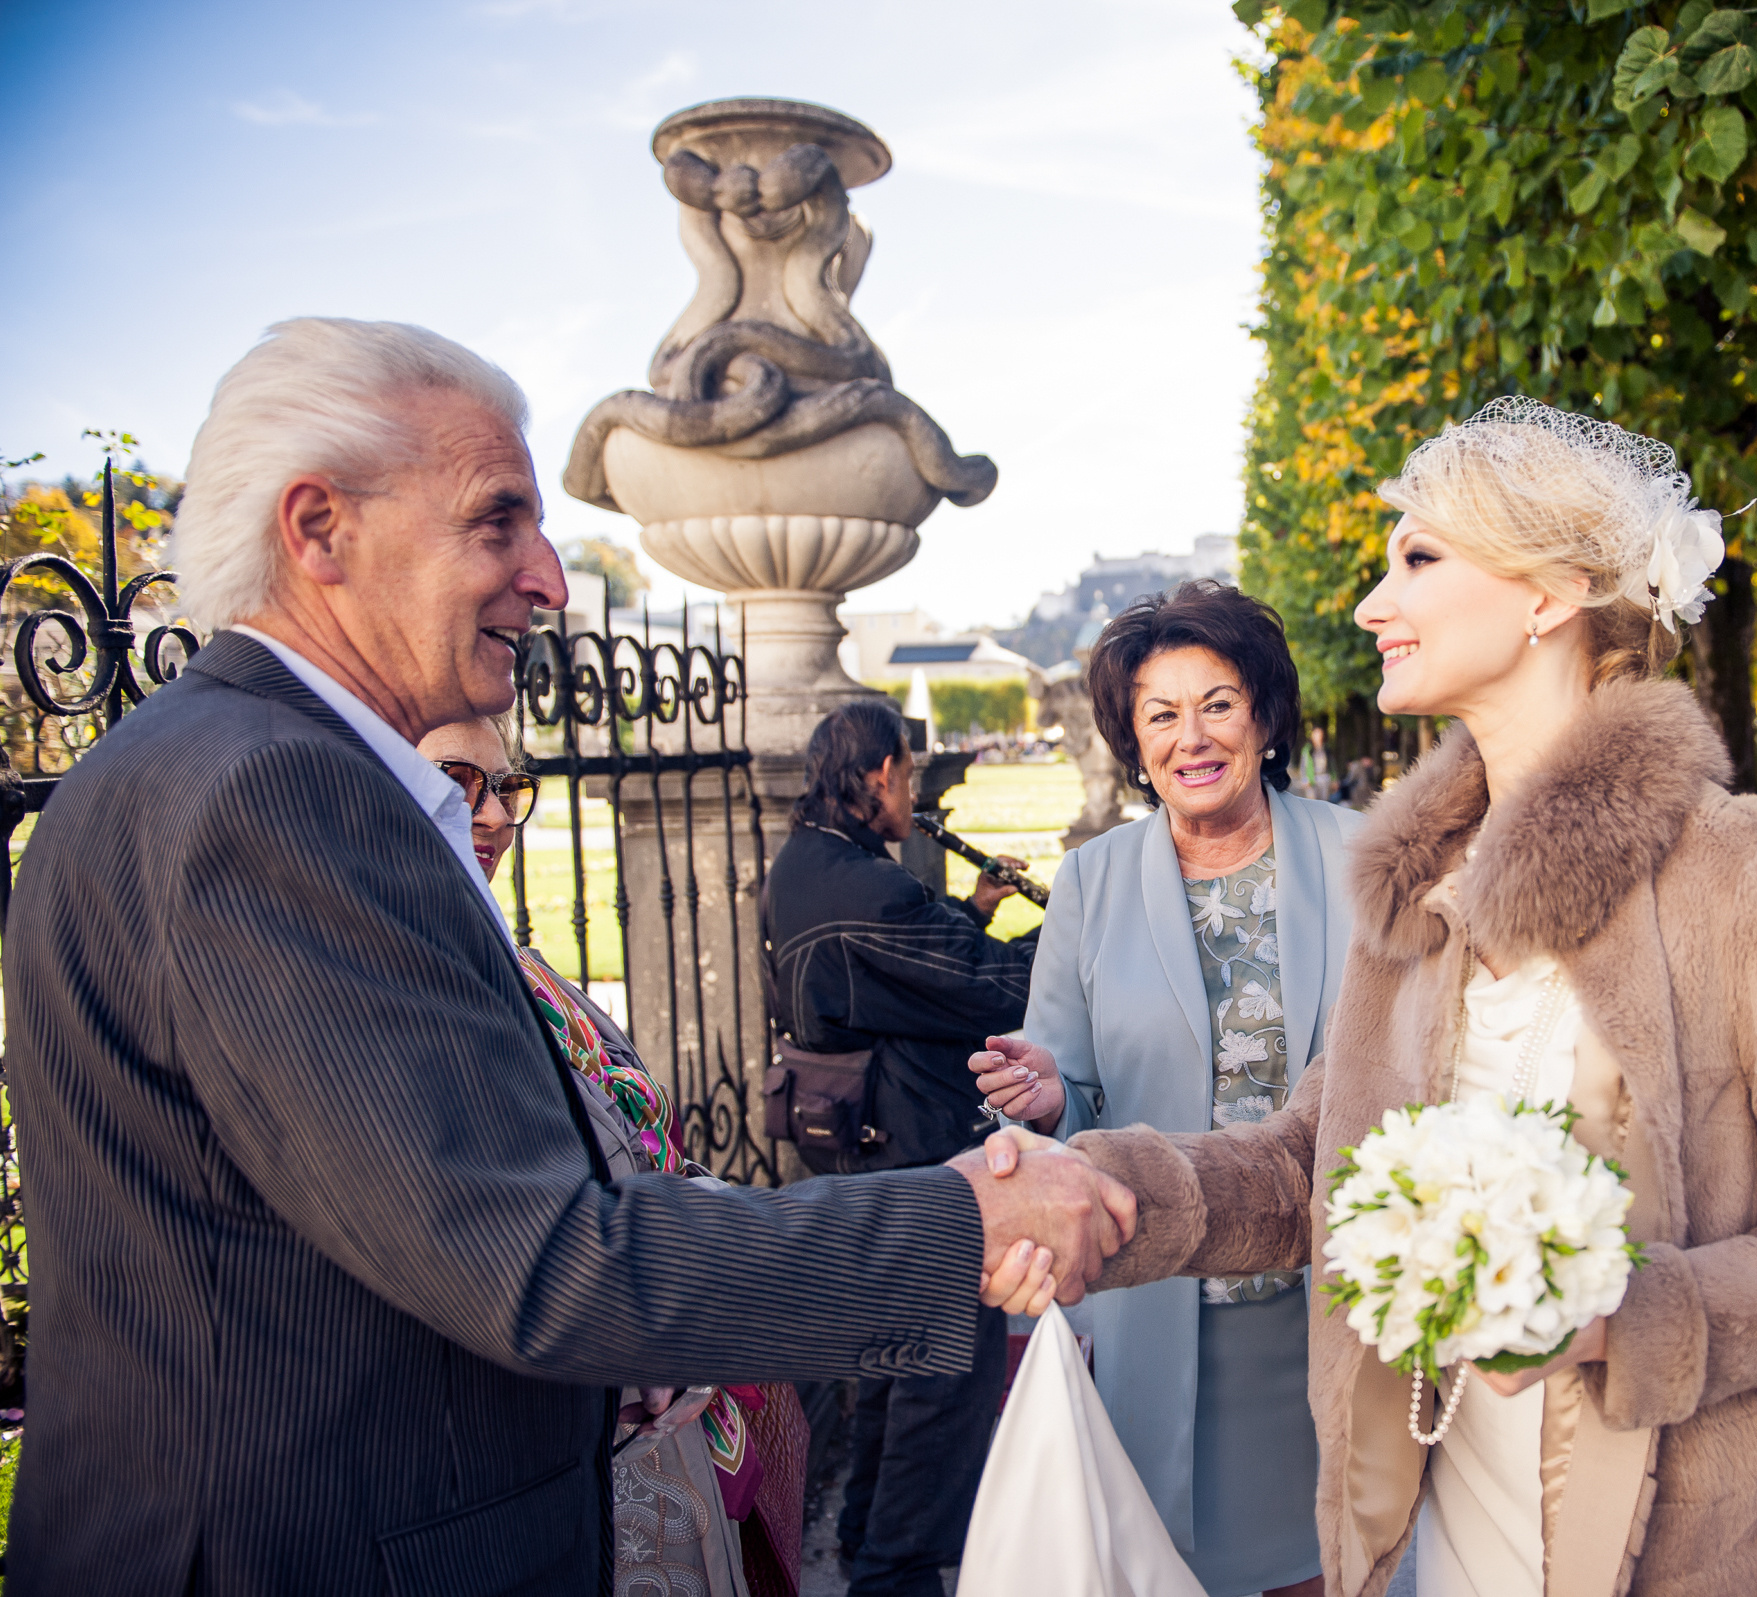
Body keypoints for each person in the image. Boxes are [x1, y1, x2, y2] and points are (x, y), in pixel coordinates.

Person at [0, 316, 1125, 1596]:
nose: (550, 579)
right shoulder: (271, 795)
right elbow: (540, 1262)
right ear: (318, 531)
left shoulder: (194, 765)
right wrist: (962, 1219)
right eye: (498, 522)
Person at [990, 398, 1757, 1596]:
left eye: (1418, 558)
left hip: (1692, 1549)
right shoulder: (1417, 888)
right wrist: (1104, 1188)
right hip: (1454, 1522)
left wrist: (1622, 1316)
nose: (1370, 605)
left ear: (1550, 592)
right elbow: (1311, 1171)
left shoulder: (1750, 871)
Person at [974, 579, 1361, 1597]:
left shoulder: (1361, 856)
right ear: (1133, 739)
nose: (1192, 736)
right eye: (1161, 713)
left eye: (1218, 703)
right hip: (1157, 1302)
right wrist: (1053, 1094)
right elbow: (1074, 1096)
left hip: (1319, 1309)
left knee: (1317, 1570)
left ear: (1265, 716)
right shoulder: (1093, 882)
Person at [418, 712, 811, 1596]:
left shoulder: (521, 964)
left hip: (660, 1397)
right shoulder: (409, 981)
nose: (491, 817)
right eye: (457, 778)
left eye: (506, 786)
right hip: (576, 1416)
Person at [766, 697, 1038, 1597]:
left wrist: (971, 904)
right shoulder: (866, 884)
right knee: (940, 1379)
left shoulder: (806, 866)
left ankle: (865, 1553)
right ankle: (897, 1570)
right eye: (910, 775)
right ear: (881, 772)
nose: (912, 792)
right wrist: (1080, 917)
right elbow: (988, 986)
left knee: (885, 1374)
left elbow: (888, 984)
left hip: (867, 1157)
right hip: (917, 1165)